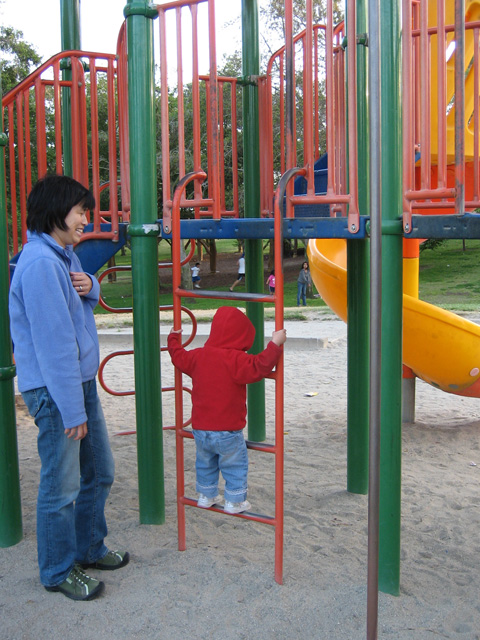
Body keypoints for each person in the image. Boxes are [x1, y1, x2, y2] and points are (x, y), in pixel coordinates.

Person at [9, 175, 129, 602]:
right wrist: (72, 411)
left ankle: (89, 548)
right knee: (61, 487)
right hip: (57, 391)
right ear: (57, 211)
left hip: (76, 385)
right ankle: (58, 570)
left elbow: (80, 299)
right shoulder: (42, 263)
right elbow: (55, 344)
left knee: (99, 472)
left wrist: (92, 286)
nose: (85, 220)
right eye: (80, 211)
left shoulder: (63, 256)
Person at [167, 306, 287, 514]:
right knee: (234, 465)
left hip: (201, 429)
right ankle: (235, 500)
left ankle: (206, 495)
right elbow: (261, 365)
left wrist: (173, 340)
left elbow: (178, 357)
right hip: (228, 430)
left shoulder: (198, 356)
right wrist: (275, 344)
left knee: (205, 464)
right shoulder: (236, 360)